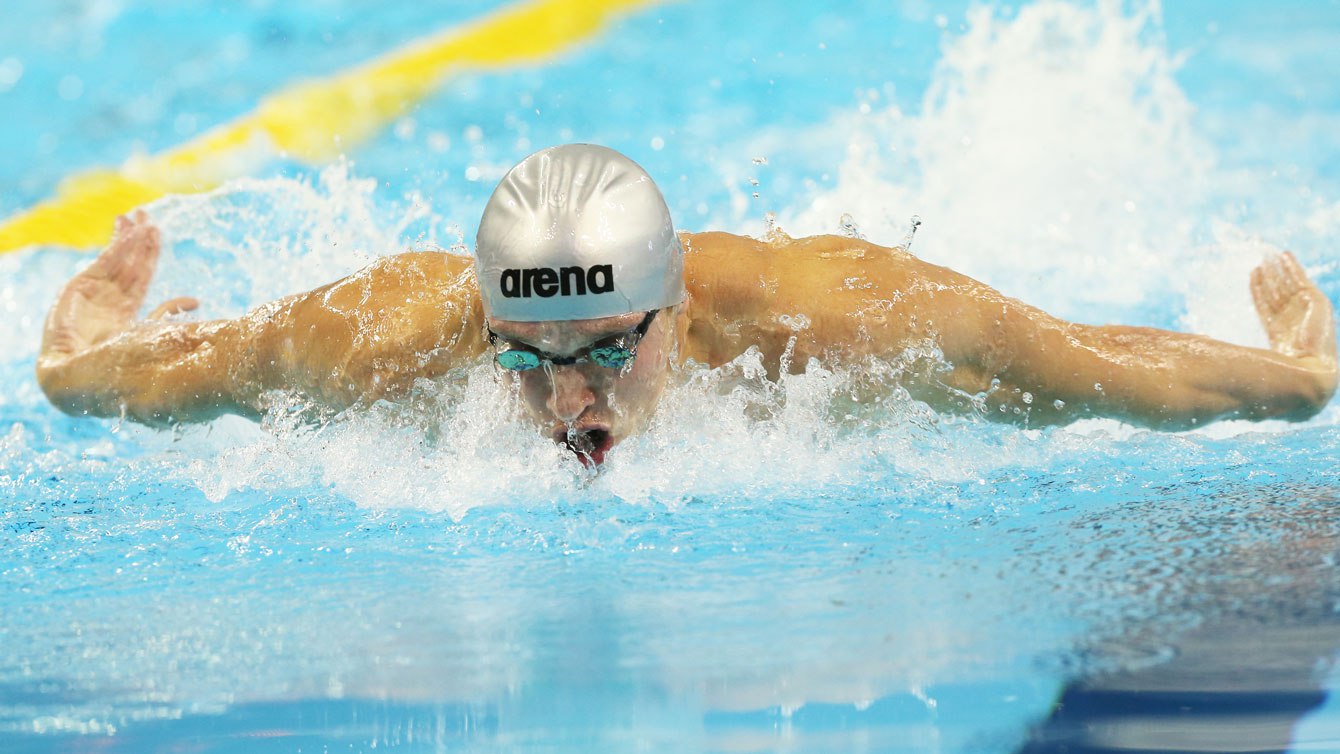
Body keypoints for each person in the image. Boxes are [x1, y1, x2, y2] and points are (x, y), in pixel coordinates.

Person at [36, 144, 1338, 464]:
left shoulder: (822, 320)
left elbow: (1090, 363)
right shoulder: (381, 338)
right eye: (529, 358)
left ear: (670, 310)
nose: (569, 402)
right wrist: (90, 316)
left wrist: (1301, 375)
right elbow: (121, 381)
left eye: (606, 350)